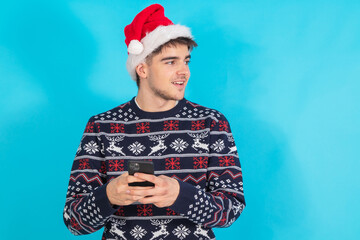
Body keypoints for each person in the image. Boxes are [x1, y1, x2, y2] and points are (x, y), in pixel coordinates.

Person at [63, 4, 245, 240]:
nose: (184, 72)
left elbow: (231, 209)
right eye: (171, 62)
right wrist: (108, 196)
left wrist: (180, 195)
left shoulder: (211, 123)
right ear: (142, 69)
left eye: (186, 61)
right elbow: (73, 222)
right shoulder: (101, 126)